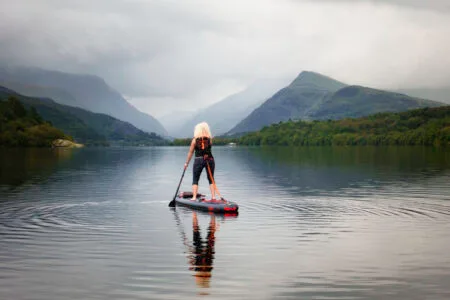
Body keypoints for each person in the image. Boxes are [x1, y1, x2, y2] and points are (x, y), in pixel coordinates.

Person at [184, 122, 216, 200]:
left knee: (195, 178)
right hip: (210, 160)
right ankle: (213, 197)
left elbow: (190, 152)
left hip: (199, 160)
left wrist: (186, 163)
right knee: (211, 178)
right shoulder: (209, 139)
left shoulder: (194, 140)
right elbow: (207, 148)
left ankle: (194, 197)